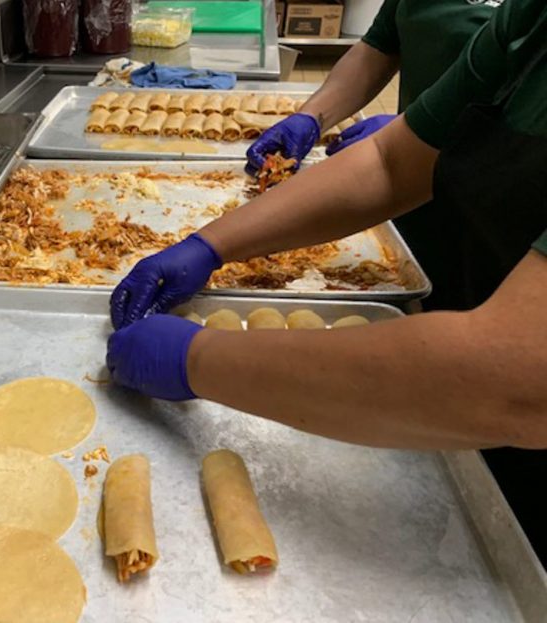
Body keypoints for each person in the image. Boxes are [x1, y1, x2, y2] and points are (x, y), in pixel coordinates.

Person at [106, 0, 547, 561]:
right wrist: (212, 245)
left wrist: (198, 359)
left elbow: (516, 380)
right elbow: (391, 162)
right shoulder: (530, 20)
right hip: (451, 382)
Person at [247, 0, 501, 310]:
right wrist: (314, 115)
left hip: (498, 221)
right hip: (410, 196)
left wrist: (426, 132)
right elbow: (378, 48)